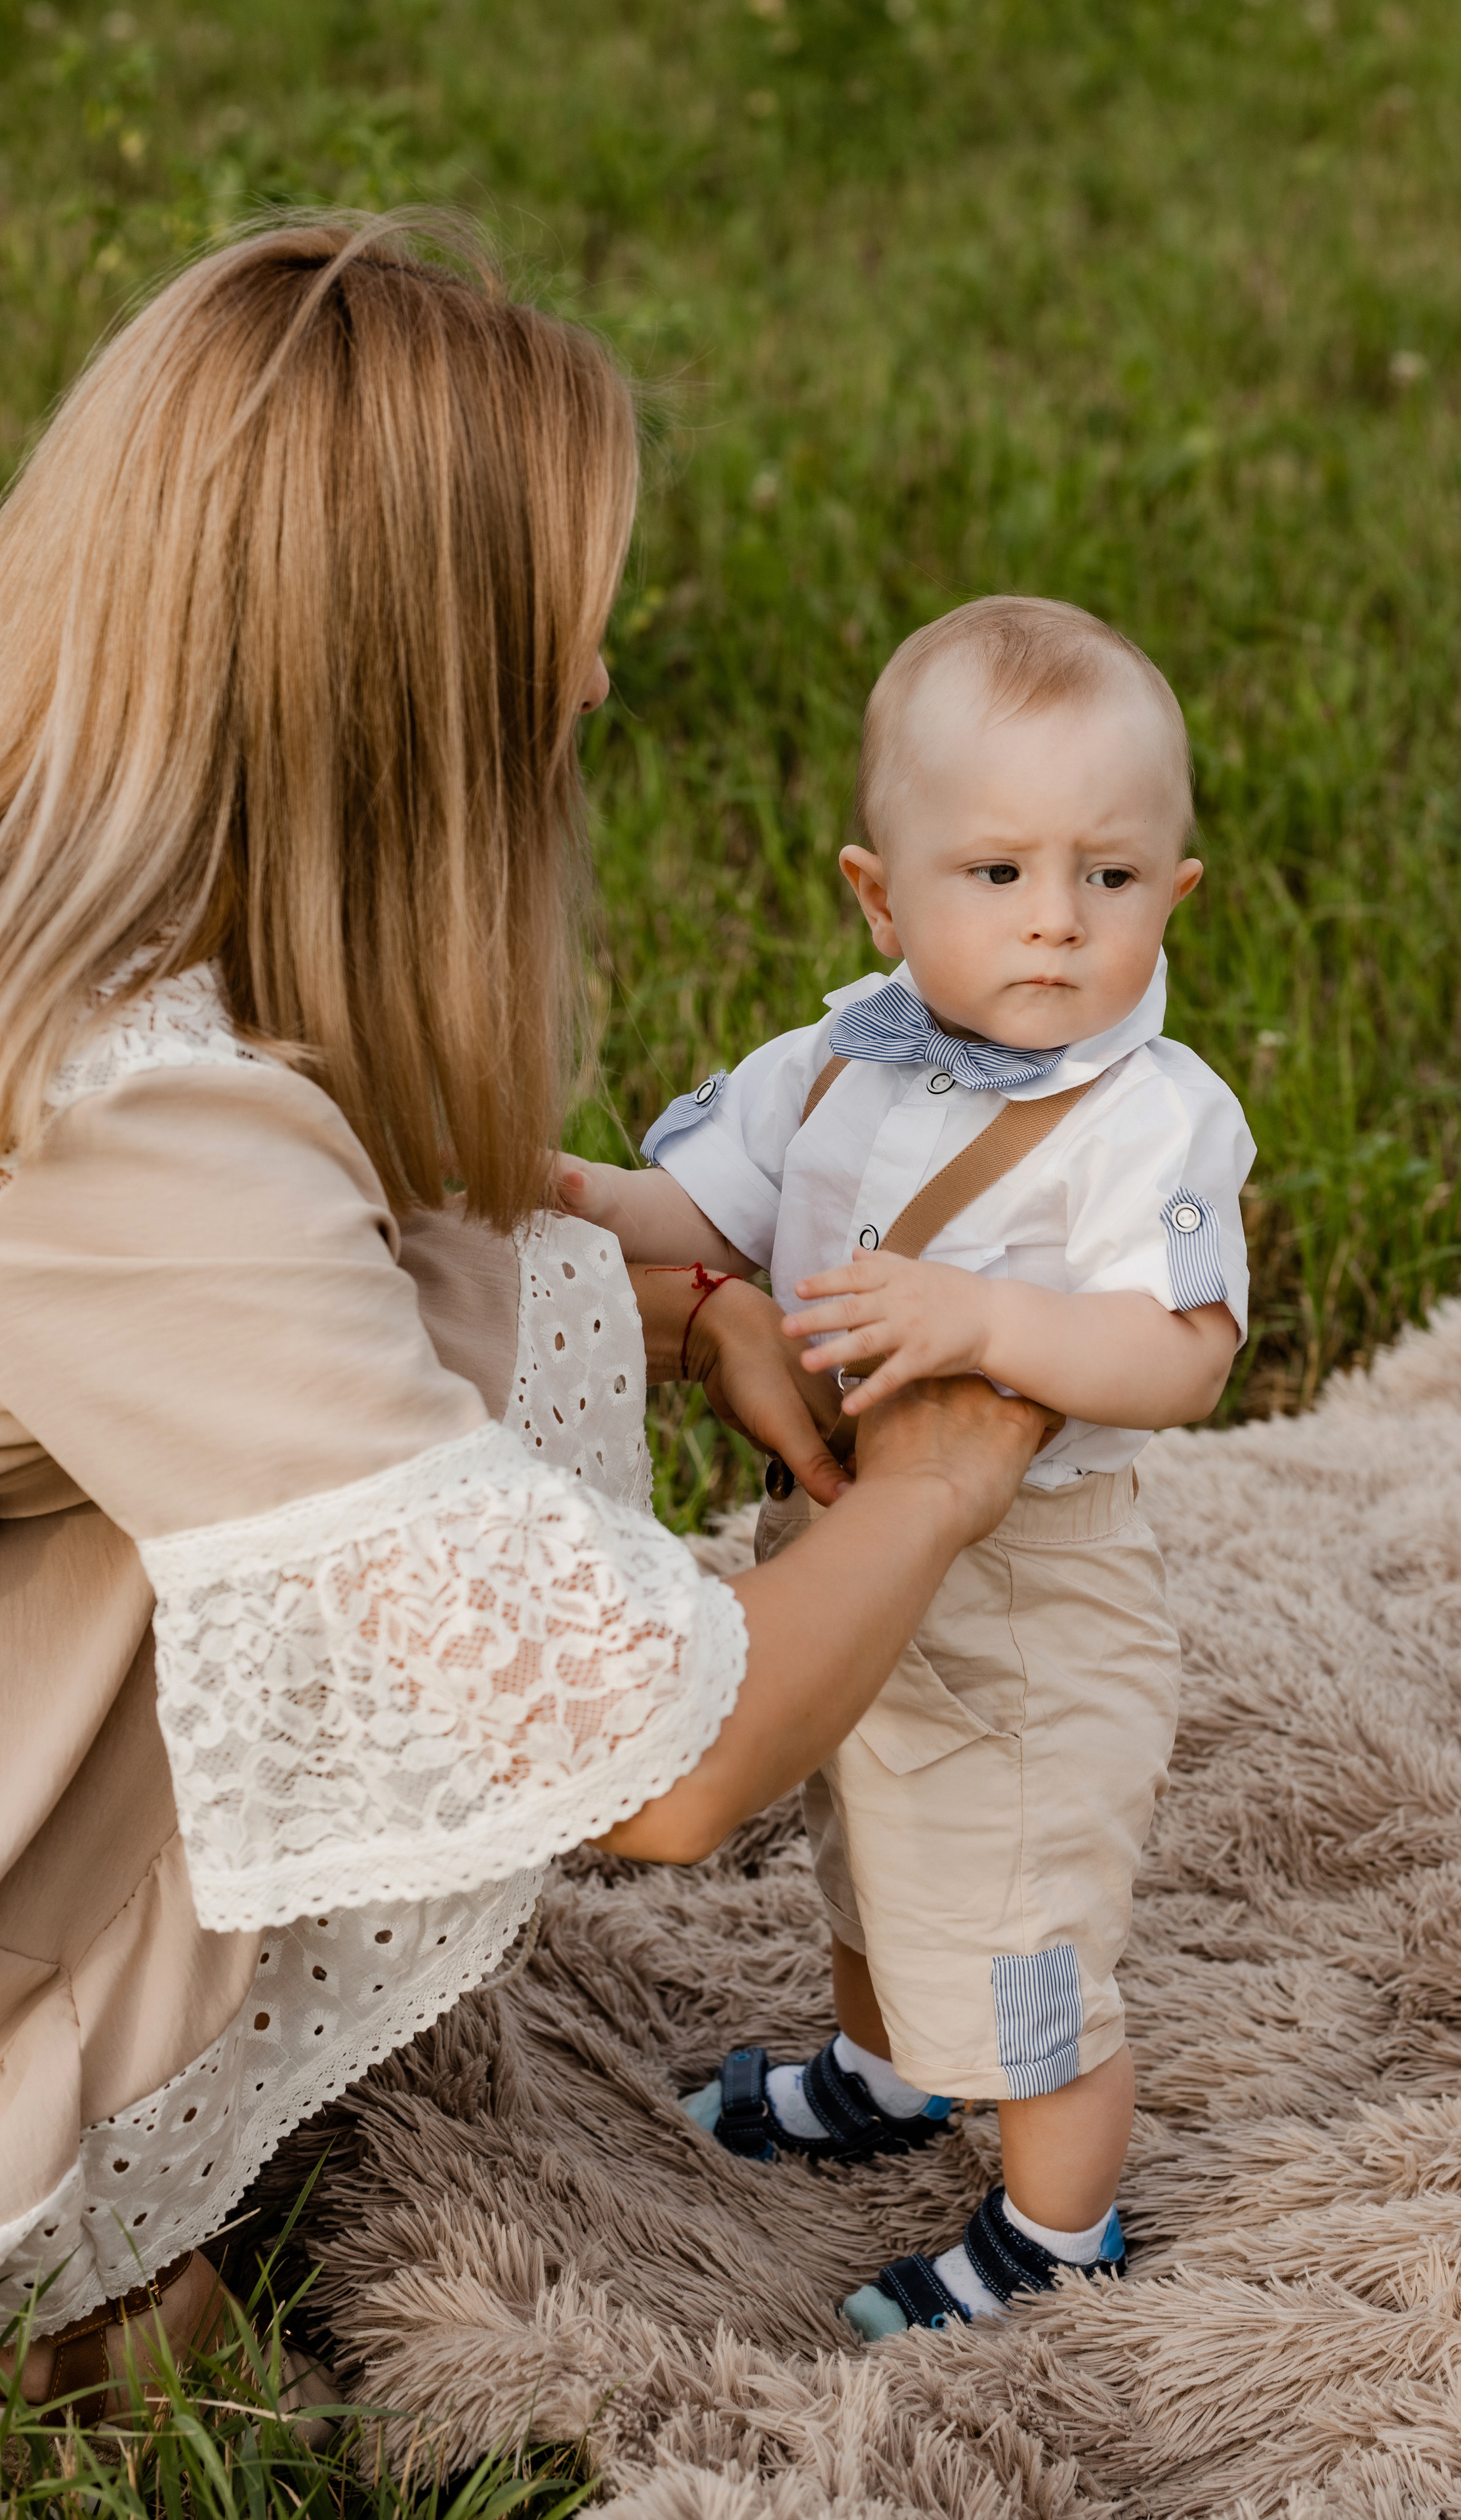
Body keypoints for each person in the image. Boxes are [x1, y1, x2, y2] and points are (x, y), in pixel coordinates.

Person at [0, 219, 1048, 2425]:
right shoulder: (132, 1130)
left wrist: (677, 1307)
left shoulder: (88, 942)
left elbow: (379, 1238)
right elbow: (662, 1771)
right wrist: (954, 1469)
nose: (591, 685)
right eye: (557, 638)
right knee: (418, 1638)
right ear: (398, 691)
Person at [557, 595, 1256, 2335]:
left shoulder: (1148, 1117)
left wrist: (988, 1329)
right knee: (868, 1831)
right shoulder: (845, 1057)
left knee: (1022, 1911)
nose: (1051, 923)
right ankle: (885, 2066)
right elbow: (707, 1209)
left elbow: (1187, 1351)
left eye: (1105, 877)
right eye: (997, 873)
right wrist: (570, 1196)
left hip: (1034, 1585)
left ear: (1173, 892)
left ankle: (1054, 2227)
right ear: (884, 894)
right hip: (856, 1544)